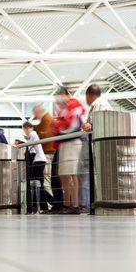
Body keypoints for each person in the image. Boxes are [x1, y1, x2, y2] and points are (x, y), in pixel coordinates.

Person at [81, 84, 113, 213]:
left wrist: (87, 125)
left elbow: (95, 124)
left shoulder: (99, 103)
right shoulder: (101, 103)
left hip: (102, 144)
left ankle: (102, 205)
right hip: (101, 144)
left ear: (89, 96)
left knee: (101, 176)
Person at [54, 86, 85, 214]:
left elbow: (71, 126)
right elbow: (59, 126)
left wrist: (58, 129)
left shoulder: (75, 106)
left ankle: (75, 205)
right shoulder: (63, 109)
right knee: (64, 174)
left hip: (73, 142)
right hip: (64, 143)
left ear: (67, 94)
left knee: (72, 174)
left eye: (61, 96)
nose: (59, 100)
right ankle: (67, 205)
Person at [33, 104, 57, 208]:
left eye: (36, 114)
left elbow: (46, 134)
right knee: (48, 179)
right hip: (49, 152)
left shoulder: (46, 120)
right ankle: (52, 203)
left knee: (47, 180)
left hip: (47, 152)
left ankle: (51, 204)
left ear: (39, 112)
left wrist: (36, 134)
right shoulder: (47, 119)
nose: (36, 116)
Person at [23, 122, 48, 214]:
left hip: (39, 161)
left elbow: (29, 147)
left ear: (26, 128)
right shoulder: (33, 135)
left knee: (37, 184)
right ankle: (41, 206)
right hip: (39, 160)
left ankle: (42, 206)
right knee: (38, 184)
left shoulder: (32, 134)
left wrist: (20, 144)